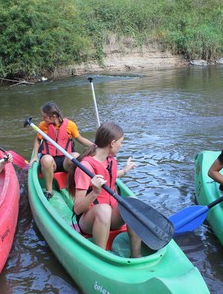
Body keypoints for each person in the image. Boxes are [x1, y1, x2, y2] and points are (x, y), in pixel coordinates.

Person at [68, 122, 142, 258]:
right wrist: (95, 192)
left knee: (132, 203)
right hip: (89, 220)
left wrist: (125, 170)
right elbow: (77, 208)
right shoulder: (85, 167)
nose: (122, 145)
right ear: (112, 143)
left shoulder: (110, 160)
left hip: (110, 216)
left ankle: (136, 255)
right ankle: (102, 257)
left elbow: (111, 175)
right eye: (121, 142)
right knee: (104, 210)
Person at [30, 101, 93, 199]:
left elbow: (80, 139)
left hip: (65, 161)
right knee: (46, 159)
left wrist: (95, 146)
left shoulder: (70, 125)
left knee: (76, 156)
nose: (43, 119)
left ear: (53, 117)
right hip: (51, 162)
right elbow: (37, 140)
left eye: (45, 117)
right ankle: (49, 191)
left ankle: (79, 186)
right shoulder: (43, 126)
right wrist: (34, 157)